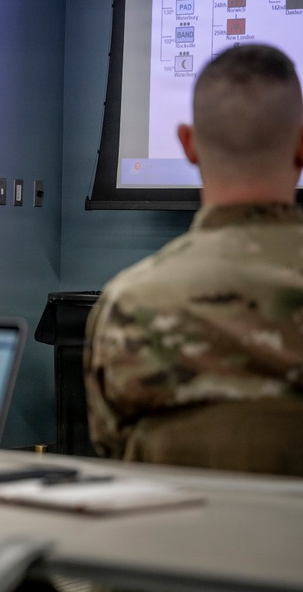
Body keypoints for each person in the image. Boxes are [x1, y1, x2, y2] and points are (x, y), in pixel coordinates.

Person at [84, 43, 303, 476]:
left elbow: (111, 446)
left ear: (188, 144)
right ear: (302, 144)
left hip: (173, 539)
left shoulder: (127, 304)